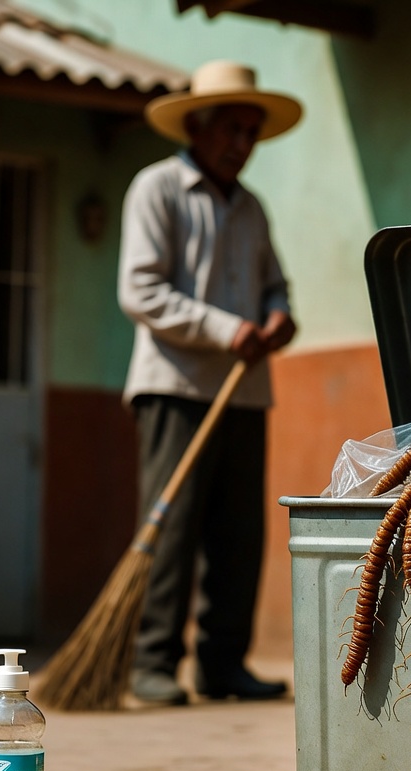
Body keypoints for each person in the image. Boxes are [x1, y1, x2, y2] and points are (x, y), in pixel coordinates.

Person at [117, 61, 303, 705]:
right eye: (231, 128)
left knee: (238, 532)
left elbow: (276, 283)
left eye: (251, 132)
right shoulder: (157, 189)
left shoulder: (251, 208)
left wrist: (279, 315)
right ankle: (153, 663)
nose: (241, 143)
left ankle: (223, 665)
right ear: (197, 125)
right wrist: (227, 330)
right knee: (172, 528)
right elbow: (139, 290)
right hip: (174, 385)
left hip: (244, 391)